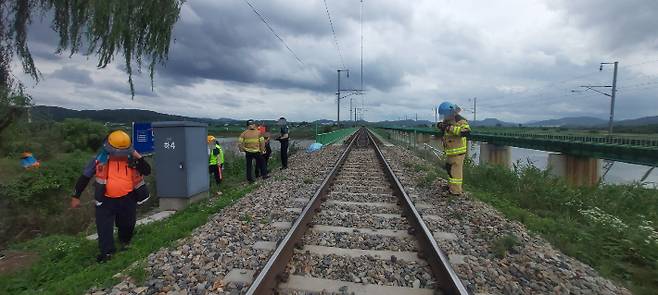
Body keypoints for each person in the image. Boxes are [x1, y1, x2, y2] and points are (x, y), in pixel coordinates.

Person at [70, 130, 151, 263]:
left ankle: (125, 242)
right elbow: (85, 177)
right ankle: (107, 253)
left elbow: (147, 170)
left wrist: (137, 156)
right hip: (105, 200)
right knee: (104, 228)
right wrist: (76, 196)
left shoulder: (132, 158)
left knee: (128, 224)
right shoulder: (99, 159)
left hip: (128, 198)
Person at [437, 102, 471, 195]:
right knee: (449, 169)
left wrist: (449, 128)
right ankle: (451, 187)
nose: (444, 117)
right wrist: (441, 125)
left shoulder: (460, 120)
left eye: (445, 115)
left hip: (458, 152)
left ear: (450, 112)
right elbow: (444, 127)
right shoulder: (448, 120)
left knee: (455, 171)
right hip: (450, 151)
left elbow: (465, 132)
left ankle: (456, 191)